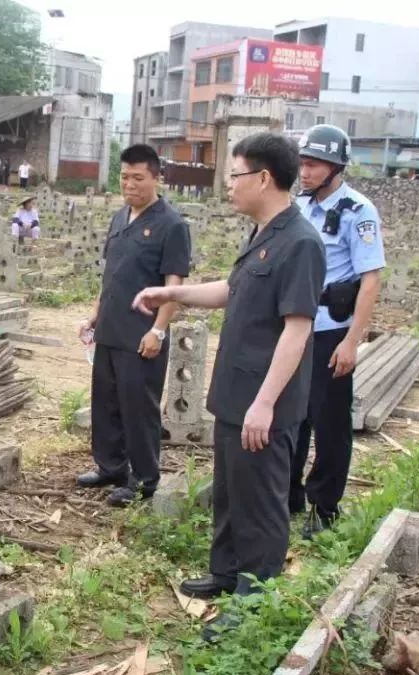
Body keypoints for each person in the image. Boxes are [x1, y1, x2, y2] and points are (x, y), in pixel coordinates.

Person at [133, 133, 325, 636]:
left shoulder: (300, 243)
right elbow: (229, 290)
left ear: (263, 178)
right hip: (236, 393)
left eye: (234, 175)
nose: (228, 186)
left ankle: (253, 602)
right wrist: (169, 292)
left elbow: (298, 329)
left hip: (264, 402)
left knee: (261, 501)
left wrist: (266, 403)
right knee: (231, 489)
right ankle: (226, 572)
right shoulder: (263, 233)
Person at [76, 144, 191, 507]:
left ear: (156, 177)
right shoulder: (119, 217)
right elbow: (111, 276)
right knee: (106, 403)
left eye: (138, 178)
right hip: (111, 328)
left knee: (138, 409)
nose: (130, 184)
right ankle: (110, 466)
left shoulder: (171, 225)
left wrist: (158, 330)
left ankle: (143, 479)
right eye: (125, 177)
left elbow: (174, 286)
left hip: (142, 335)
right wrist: (93, 316)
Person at [292, 124, 385, 538]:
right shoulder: (298, 206)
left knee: (329, 422)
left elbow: (371, 279)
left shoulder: (357, 211)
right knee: (291, 416)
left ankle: (324, 506)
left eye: (312, 164)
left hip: (332, 330)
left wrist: (352, 340)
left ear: (334, 167)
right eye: (302, 163)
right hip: (296, 328)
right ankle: (287, 493)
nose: (304, 171)